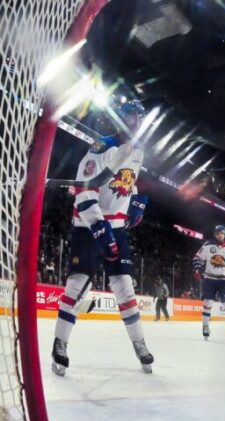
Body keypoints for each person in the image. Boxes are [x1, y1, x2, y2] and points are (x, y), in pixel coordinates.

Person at [50, 101, 154, 376]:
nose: (135, 121)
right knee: (77, 286)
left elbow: (130, 182)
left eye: (139, 116)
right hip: (88, 225)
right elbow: (84, 193)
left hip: (117, 228)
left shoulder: (139, 151)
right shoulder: (102, 147)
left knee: (125, 287)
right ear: (119, 119)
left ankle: (139, 344)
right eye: (130, 115)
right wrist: (99, 228)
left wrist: (137, 201)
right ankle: (60, 344)